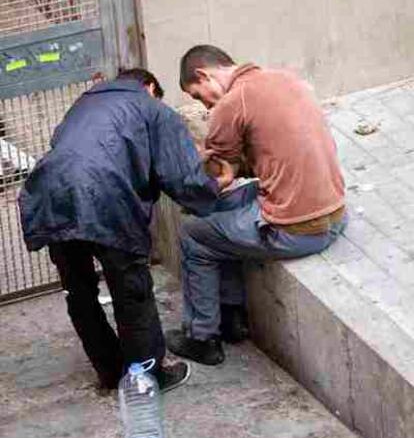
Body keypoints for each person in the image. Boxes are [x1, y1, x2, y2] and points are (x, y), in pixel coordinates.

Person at [18, 67, 233, 392]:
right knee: (131, 291)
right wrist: (215, 186)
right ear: (149, 87)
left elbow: (92, 149)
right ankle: (149, 376)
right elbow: (180, 179)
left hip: (51, 193)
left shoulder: (85, 104)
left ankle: (109, 371)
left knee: (79, 292)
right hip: (106, 196)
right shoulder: (152, 108)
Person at [166, 45, 347, 366]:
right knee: (220, 215)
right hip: (335, 213)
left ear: (203, 75)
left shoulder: (232, 103)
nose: (205, 106)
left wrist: (195, 158)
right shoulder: (286, 79)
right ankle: (232, 319)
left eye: (198, 96)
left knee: (194, 235)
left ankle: (202, 337)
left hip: (296, 229)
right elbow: (264, 158)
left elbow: (215, 172)